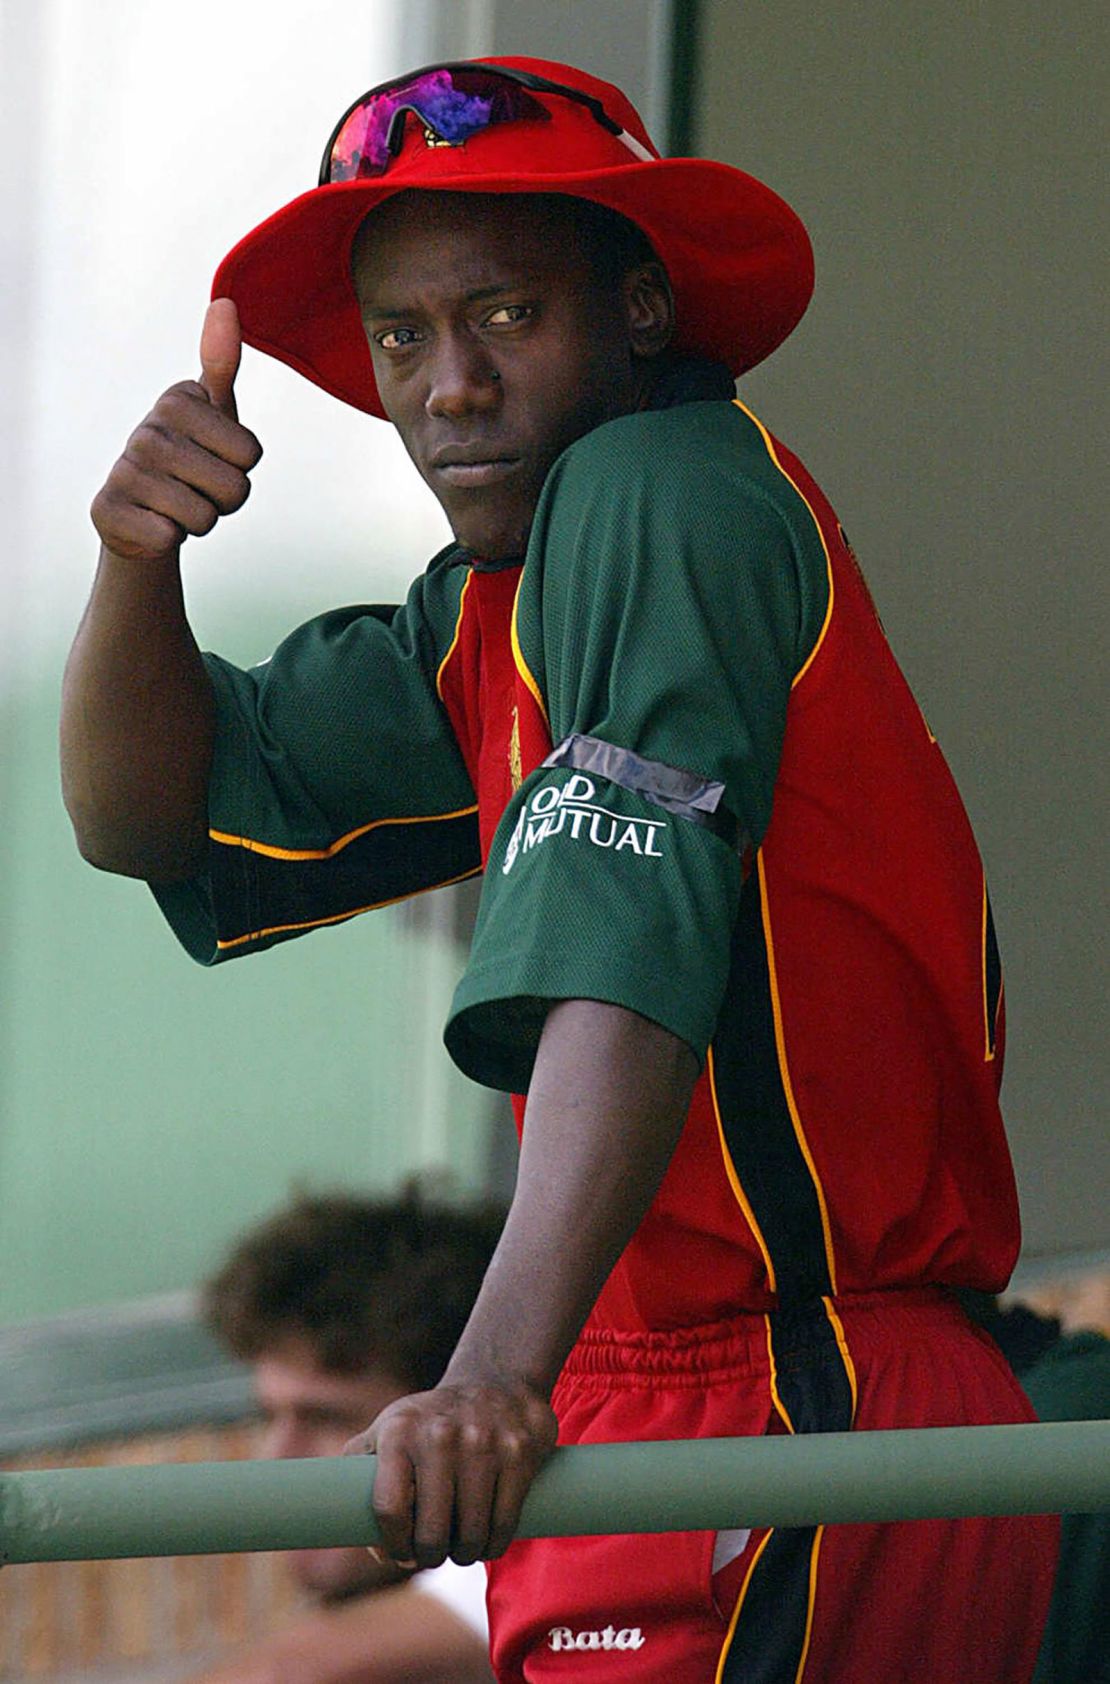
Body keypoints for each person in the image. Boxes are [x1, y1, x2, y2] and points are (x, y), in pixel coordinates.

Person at [62, 56, 1060, 1681]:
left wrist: (489, 1371)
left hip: (790, 1399)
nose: (448, 382)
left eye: (508, 315)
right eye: (402, 337)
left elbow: (621, 934)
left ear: (646, 310)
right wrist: (132, 559)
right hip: (649, 1405)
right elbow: (148, 819)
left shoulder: (661, 487)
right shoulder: (483, 604)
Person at [187, 1188, 499, 1684]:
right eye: (269, 1417)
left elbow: (291, 1674)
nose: (280, 1457)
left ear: (458, 1428)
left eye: (326, 1419)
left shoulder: (522, 1567)